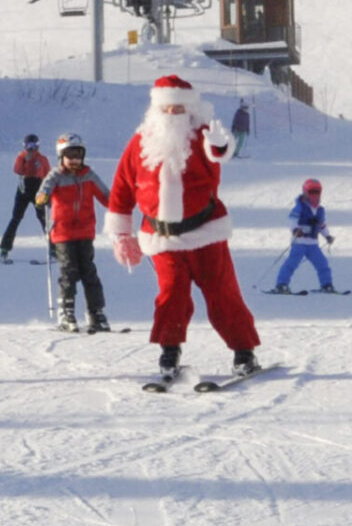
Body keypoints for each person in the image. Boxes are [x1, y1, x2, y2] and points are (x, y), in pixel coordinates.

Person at [106, 75, 261, 381]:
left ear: (190, 110)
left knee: (222, 294)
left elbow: (218, 152)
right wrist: (121, 234)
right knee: (171, 295)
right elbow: (122, 187)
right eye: (167, 108)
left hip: (206, 234)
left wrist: (220, 145)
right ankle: (169, 351)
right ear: (157, 109)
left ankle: (244, 352)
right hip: (162, 239)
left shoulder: (202, 135)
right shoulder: (140, 143)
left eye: (179, 109)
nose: (173, 114)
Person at [35, 133, 112, 332]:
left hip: (85, 231)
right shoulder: (56, 175)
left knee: (89, 272)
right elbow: (43, 191)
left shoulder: (89, 175)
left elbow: (106, 195)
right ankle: (66, 313)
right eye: (70, 155)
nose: (75, 160)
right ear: (61, 156)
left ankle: (96, 313)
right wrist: (43, 197)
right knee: (69, 271)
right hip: (63, 233)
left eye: (78, 155)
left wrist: (120, 205)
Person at [269, 178, 337, 293]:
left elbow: (321, 225)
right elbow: (292, 220)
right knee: (291, 264)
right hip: (300, 242)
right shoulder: (299, 207)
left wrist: (327, 236)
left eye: (317, 192)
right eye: (312, 192)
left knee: (322, 264)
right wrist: (295, 230)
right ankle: (281, 284)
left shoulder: (320, 210)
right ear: (305, 192)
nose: (314, 196)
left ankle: (326, 285)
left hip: (313, 244)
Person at [0, 134, 51, 260]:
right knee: (16, 217)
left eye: (34, 146)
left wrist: (48, 193)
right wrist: (25, 160)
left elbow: (48, 175)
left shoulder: (42, 159)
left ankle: (54, 249)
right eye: (28, 146)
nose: (31, 149)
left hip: (38, 188)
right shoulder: (21, 157)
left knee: (44, 218)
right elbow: (17, 170)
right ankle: (4, 249)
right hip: (24, 188)